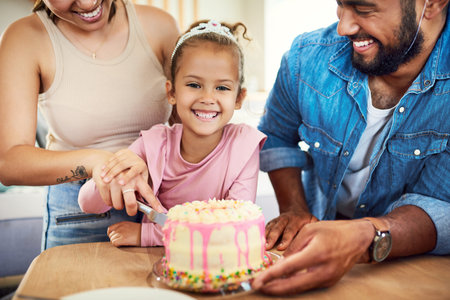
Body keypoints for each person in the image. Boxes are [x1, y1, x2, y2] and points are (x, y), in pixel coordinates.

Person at [252, 0, 449, 295]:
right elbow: (277, 136)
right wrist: (294, 208)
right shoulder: (305, 58)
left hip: (417, 273)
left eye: (364, 9)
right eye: (340, 4)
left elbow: (442, 203)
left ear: (431, 4)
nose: (344, 27)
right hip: (315, 258)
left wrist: (364, 237)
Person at [0, 0, 180, 250]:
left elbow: (188, 127)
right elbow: (9, 163)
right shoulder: (24, 39)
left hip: (163, 198)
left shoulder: (161, 25)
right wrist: (100, 163)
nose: (87, 2)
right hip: (80, 207)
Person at [78, 20, 267, 247]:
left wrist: (146, 236)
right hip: (153, 265)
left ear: (238, 98)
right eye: (194, 85)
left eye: (222, 88)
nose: (208, 98)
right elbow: (87, 203)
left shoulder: (244, 146)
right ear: (172, 92)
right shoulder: (154, 143)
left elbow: (234, 228)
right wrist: (115, 169)